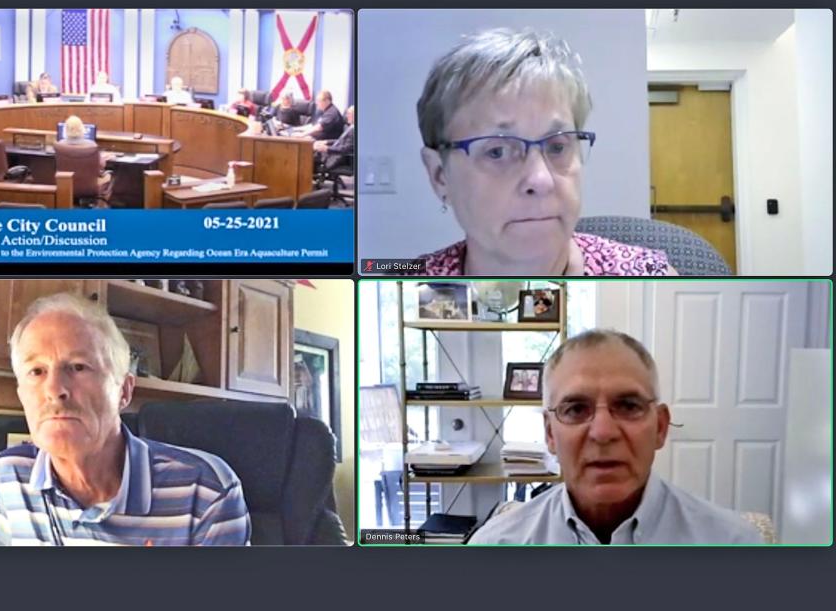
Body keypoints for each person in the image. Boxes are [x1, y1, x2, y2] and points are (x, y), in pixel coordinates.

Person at [0, 293, 251, 546]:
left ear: (124, 390)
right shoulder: (4, 481)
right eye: (36, 371)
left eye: (77, 367)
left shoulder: (206, 491)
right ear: (22, 394)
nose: (54, 390)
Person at [409, 28, 676, 276]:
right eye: (497, 151)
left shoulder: (649, 272)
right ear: (440, 175)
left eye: (557, 146)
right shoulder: (404, 276)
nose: (541, 180)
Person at [469, 329, 761, 545]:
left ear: (660, 427)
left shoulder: (735, 543)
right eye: (576, 409)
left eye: (628, 406)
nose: (603, 433)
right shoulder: (496, 544)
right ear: (550, 434)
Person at [314, 105, 354, 170]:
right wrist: (325, 142)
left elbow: (345, 149)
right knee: (312, 150)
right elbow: (340, 141)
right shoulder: (351, 127)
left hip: (336, 157)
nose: (347, 116)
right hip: (333, 153)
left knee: (309, 158)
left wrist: (327, 148)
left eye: (349, 114)